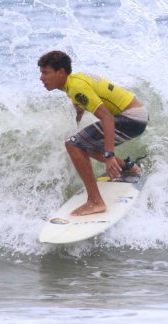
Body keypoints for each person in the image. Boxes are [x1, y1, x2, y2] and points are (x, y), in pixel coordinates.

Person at [38, 50, 148, 216]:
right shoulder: (74, 82)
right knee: (84, 145)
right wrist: (78, 113)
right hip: (137, 115)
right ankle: (128, 169)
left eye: (46, 73)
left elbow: (107, 118)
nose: (41, 78)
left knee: (73, 144)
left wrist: (110, 155)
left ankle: (96, 202)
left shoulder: (76, 87)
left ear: (61, 72)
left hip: (131, 118)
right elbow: (85, 99)